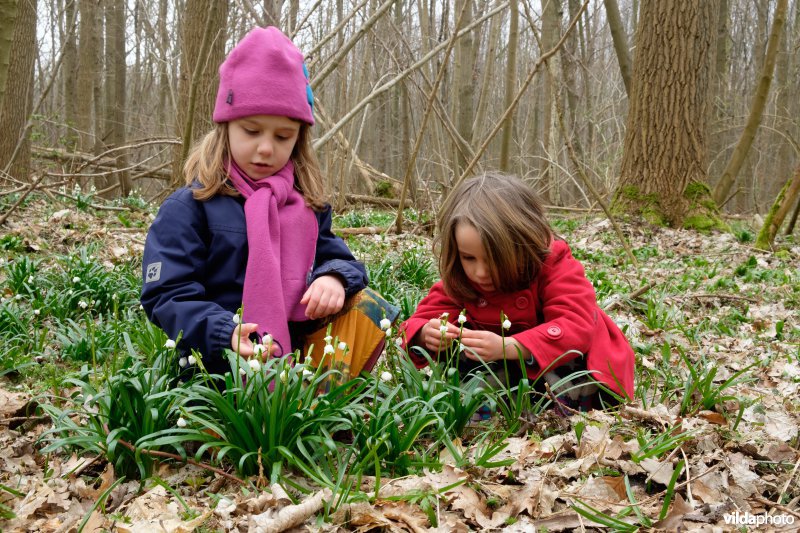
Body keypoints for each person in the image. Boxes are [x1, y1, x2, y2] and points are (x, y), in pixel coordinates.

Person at [141, 27, 398, 379]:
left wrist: (333, 278)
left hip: (298, 352)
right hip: (218, 362)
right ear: (226, 126)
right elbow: (167, 294)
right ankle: (244, 413)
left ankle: (312, 399)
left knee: (368, 304)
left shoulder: (306, 205)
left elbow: (340, 258)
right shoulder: (192, 206)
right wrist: (224, 332)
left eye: (282, 136)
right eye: (251, 131)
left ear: (299, 138)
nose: (266, 148)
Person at [400, 173, 634, 410]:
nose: (480, 272)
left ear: (525, 243)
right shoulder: (461, 278)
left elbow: (577, 324)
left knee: (571, 352)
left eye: (494, 259)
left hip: (559, 361)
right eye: (468, 257)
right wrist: (425, 333)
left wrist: (511, 346)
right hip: (504, 366)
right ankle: (483, 405)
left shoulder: (553, 264)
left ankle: (567, 409)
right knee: (463, 349)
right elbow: (418, 321)